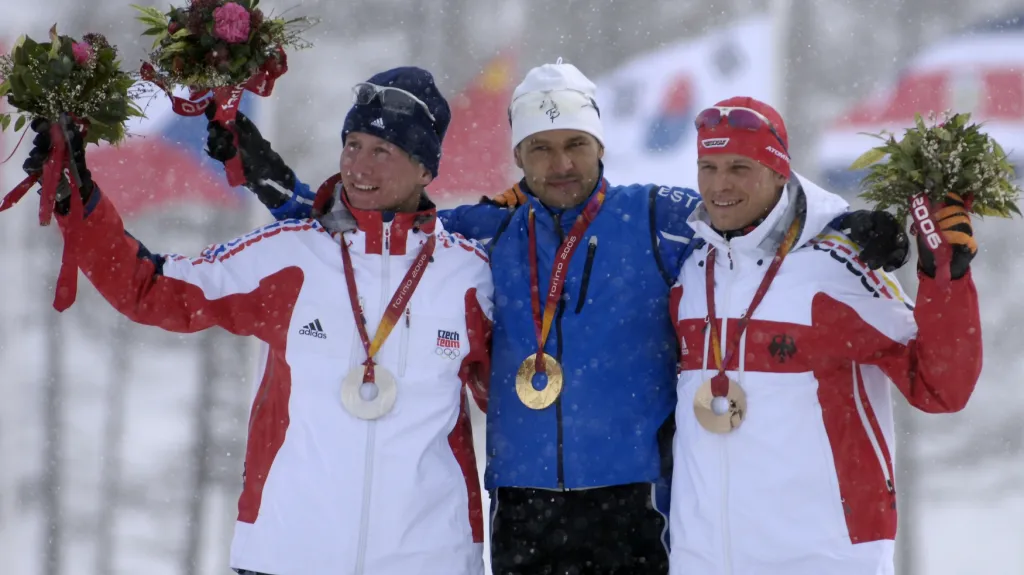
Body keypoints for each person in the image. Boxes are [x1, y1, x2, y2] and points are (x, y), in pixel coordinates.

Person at [206, 62, 910, 575]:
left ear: (601, 145)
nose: (561, 162)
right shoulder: (486, 230)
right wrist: (280, 191)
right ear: (518, 158)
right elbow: (375, 228)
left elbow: (758, 199)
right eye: (540, 148)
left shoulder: (657, 214)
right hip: (523, 500)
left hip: (635, 500)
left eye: (575, 143)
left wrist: (851, 223)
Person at [25, 67, 494, 575]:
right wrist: (77, 199)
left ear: (426, 169)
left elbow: (520, 397)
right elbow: (150, 288)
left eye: (383, 150)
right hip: (287, 552)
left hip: (429, 559)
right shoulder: (290, 257)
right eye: (354, 144)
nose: (360, 165)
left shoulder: (470, 277)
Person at [667, 96, 982, 575]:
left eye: (739, 166)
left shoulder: (834, 268)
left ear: (778, 173)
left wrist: (946, 277)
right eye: (707, 167)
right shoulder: (691, 272)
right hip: (702, 560)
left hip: (822, 558)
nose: (719, 184)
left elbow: (940, 386)